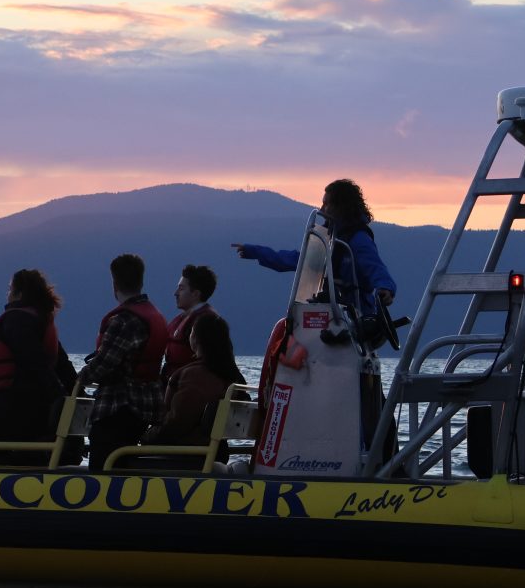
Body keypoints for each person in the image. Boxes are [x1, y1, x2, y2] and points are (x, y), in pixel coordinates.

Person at [233, 179, 396, 315]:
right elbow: (297, 260)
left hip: (354, 318)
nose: (322, 209)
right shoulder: (327, 238)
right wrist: (255, 251)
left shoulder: (358, 239)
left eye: (326, 204)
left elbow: (375, 267)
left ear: (341, 206)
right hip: (328, 312)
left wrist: (385, 288)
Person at [78, 254, 169, 472]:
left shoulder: (124, 320)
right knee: (123, 465)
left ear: (115, 284)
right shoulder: (154, 315)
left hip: (119, 405)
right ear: (141, 281)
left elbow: (103, 364)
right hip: (148, 405)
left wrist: (79, 378)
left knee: (103, 468)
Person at [0, 268, 64, 450]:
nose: (7, 294)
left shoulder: (16, 320)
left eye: (10, 289)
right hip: (38, 408)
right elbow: (62, 368)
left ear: (19, 294)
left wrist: (56, 396)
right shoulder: (42, 321)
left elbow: (34, 361)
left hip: (18, 407)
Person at [142, 315, 245, 450]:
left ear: (196, 339)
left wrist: (147, 436)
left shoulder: (196, 376)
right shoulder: (233, 376)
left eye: (191, 332)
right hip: (215, 449)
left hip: (188, 450)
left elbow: (178, 423)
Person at [162, 264, 219, 383]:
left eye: (181, 288)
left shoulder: (206, 322)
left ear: (196, 294)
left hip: (188, 386)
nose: (175, 293)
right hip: (172, 385)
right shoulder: (181, 319)